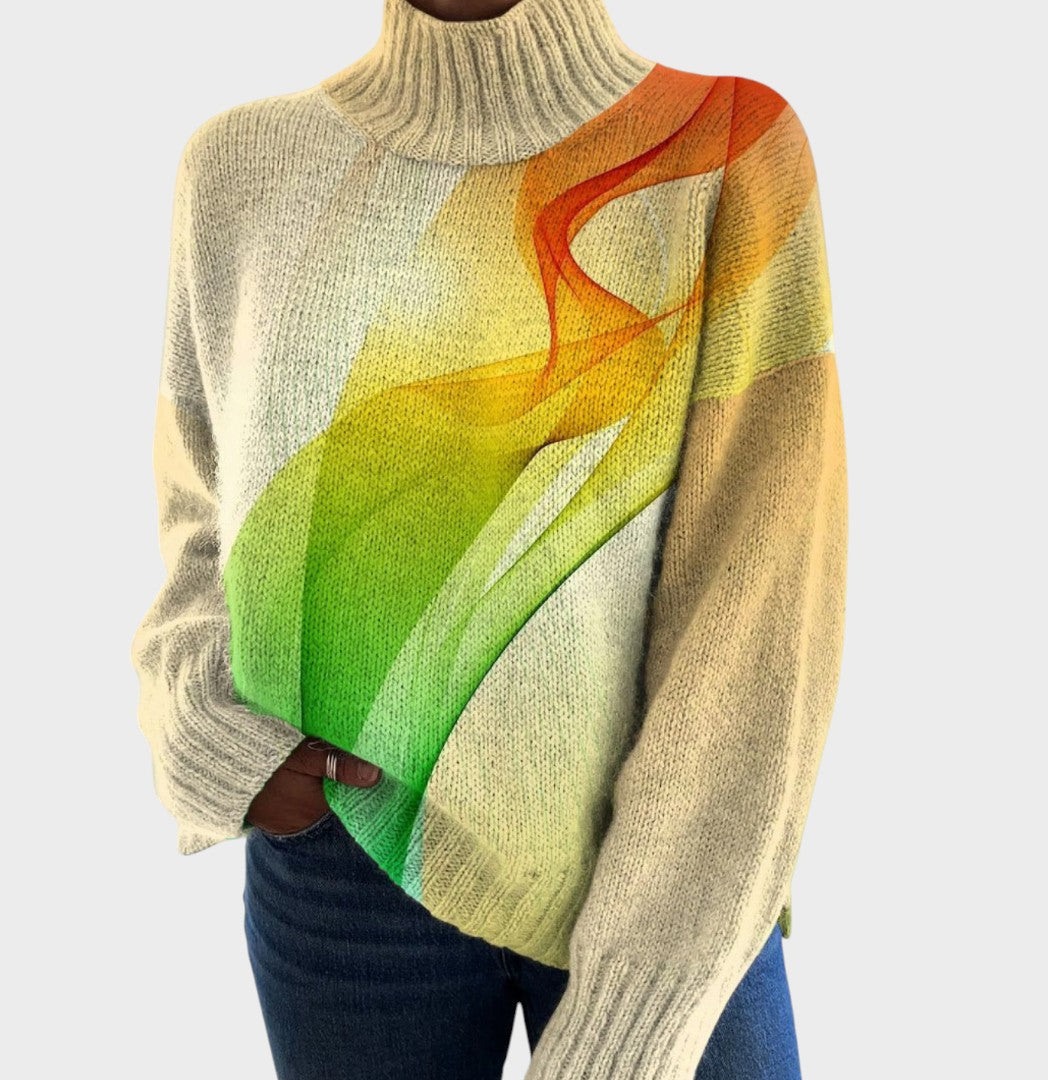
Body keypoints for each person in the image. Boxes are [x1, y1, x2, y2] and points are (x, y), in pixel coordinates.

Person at [130, 0, 847, 1077]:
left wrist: (643, 993)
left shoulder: (727, 148)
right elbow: (198, 506)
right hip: (341, 865)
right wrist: (212, 732)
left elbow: (763, 608)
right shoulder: (236, 167)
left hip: (677, 870)